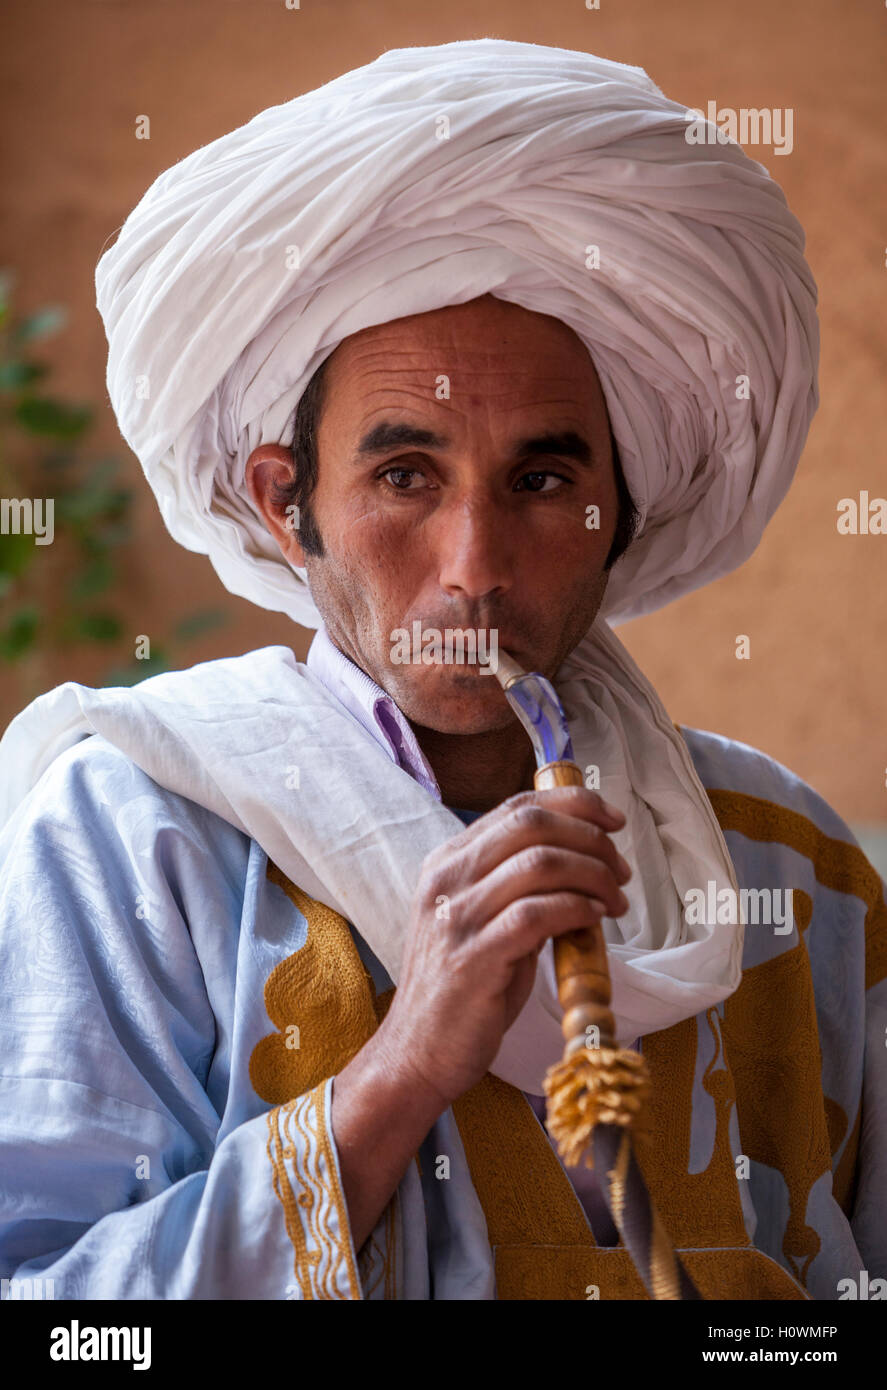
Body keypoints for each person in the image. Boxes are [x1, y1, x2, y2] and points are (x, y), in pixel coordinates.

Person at [0, 38, 883, 1302]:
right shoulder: (127, 838)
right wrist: (401, 1068)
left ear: (617, 514)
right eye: (403, 475)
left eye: (542, 481)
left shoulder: (793, 872)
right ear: (283, 505)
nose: (472, 564)